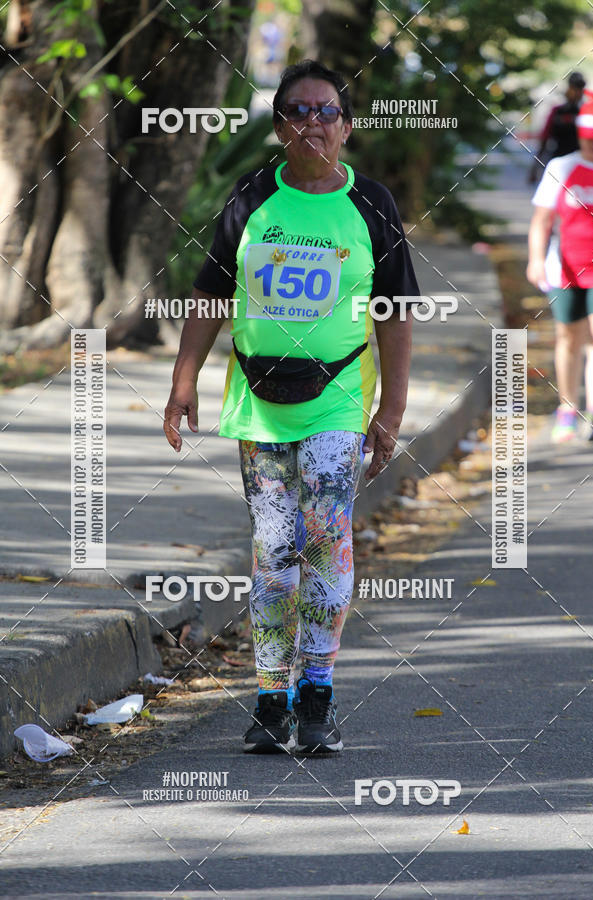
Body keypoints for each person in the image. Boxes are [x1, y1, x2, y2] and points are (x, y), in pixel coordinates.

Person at [163, 60, 420, 755]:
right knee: (275, 551)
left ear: (347, 126)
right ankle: (271, 698)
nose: (314, 123)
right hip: (259, 401)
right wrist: (183, 380)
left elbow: (396, 314)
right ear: (279, 127)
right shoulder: (251, 196)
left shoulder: (371, 204)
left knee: (325, 536)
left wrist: (391, 411)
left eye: (327, 112)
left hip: (337, 398)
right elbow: (211, 295)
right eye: (299, 112)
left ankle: (317, 697)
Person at [527, 89, 593, 442]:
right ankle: (567, 408)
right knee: (569, 338)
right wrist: (536, 260)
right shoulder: (562, 167)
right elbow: (542, 221)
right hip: (566, 268)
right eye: (589, 139)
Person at [529, 72, 586, 184]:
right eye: (573, 88)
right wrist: (535, 168)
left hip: (583, 162)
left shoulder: (587, 112)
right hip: (561, 160)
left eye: (579, 89)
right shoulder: (558, 111)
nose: (576, 93)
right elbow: (545, 139)